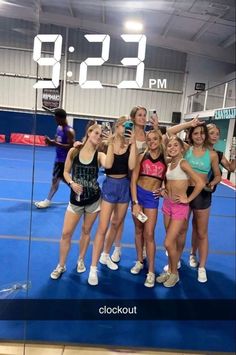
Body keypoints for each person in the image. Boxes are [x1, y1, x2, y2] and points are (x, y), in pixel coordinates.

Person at [50, 124, 113, 279]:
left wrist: (111, 142)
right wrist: (72, 183)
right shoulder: (74, 151)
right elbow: (65, 172)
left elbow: (109, 164)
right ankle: (61, 265)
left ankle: (81, 260)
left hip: (93, 200)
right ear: (89, 133)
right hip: (75, 201)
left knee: (86, 231)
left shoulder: (99, 155)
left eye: (101, 134)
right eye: (96, 133)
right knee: (66, 233)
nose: (98, 136)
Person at [166, 119, 221, 282]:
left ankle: (202, 266)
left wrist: (212, 182)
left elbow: (218, 175)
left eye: (202, 133)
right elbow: (170, 133)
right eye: (195, 133)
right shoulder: (186, 149)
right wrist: (189, 123)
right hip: (185, 192)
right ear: (191, 135)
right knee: (181, 230)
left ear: (205, 135)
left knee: (201, 232)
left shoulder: (212, 155)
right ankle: (175, 262)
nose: (199, 136)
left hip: (202, 194)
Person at [88, 117, 137, 286]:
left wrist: (133, 144)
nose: (126, 128)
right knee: (103, 227)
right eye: (124, 125)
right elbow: (103, 160)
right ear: (117, 126)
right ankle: (93, 268)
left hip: (124, 186)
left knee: (116, 224)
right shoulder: (107, 143)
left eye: (128, 126)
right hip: (110, 185)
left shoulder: (130, 145)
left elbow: (131, 166)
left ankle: (105, 255)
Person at [110, 106, 160, 263]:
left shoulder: (149, 137)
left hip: (142, 186)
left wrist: (157, 128)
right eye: (139, 115)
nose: (143, 118)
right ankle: (117, 248)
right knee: (118, 218)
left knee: (143, 222)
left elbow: (161, 150)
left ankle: (144, 249)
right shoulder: (126, 135)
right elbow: (112, 144)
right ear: (132, 118)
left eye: (145, 115)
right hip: (125, 181)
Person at [156, 136, 204, 287]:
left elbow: (200, 182)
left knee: (168, 242)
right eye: (169, 146)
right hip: (167, 204)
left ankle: (175, 274)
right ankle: (170, 270)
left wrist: (188, 199)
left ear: (182, 148)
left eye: (175, 145)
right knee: (171, 242)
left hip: (179, 207)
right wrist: (164, 190)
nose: (172, 148)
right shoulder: (170, 163)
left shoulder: (183, 163)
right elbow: (168, 181)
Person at [189, 123, 236, 265]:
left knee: (198, 226)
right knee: (184, 225)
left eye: (217, 133)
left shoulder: (217, 154)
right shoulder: (193, 150)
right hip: (188, 191)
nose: (215, 136)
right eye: (212, 133)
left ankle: (193, 253)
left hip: (204, 194)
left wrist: (234, 152)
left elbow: (231, 168)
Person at [130, 130, 167, 287]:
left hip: (152, 198)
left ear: (159, 140)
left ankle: (151, 271)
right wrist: (136, 202)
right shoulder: (141, 156)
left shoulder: (166, 159)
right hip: (139, 195)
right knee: (139, 230)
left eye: (155, 139)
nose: (152, 141)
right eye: (149, 139)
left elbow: (167, 180)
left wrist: (164, 188)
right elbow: (133, 181)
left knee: (149, 233)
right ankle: (139, 260)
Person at [35, 109, 75, 208]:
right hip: (58, 158)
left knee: (56, 179)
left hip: (64, 160)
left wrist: (54, 143)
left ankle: (47, 201)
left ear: (62, 118)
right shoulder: (59, 128)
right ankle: (80, 192)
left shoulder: (69, 131)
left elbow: (71, 146)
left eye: (57, 119)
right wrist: (50, 142)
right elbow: (57, 141)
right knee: (64, 179)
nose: (55, 121)